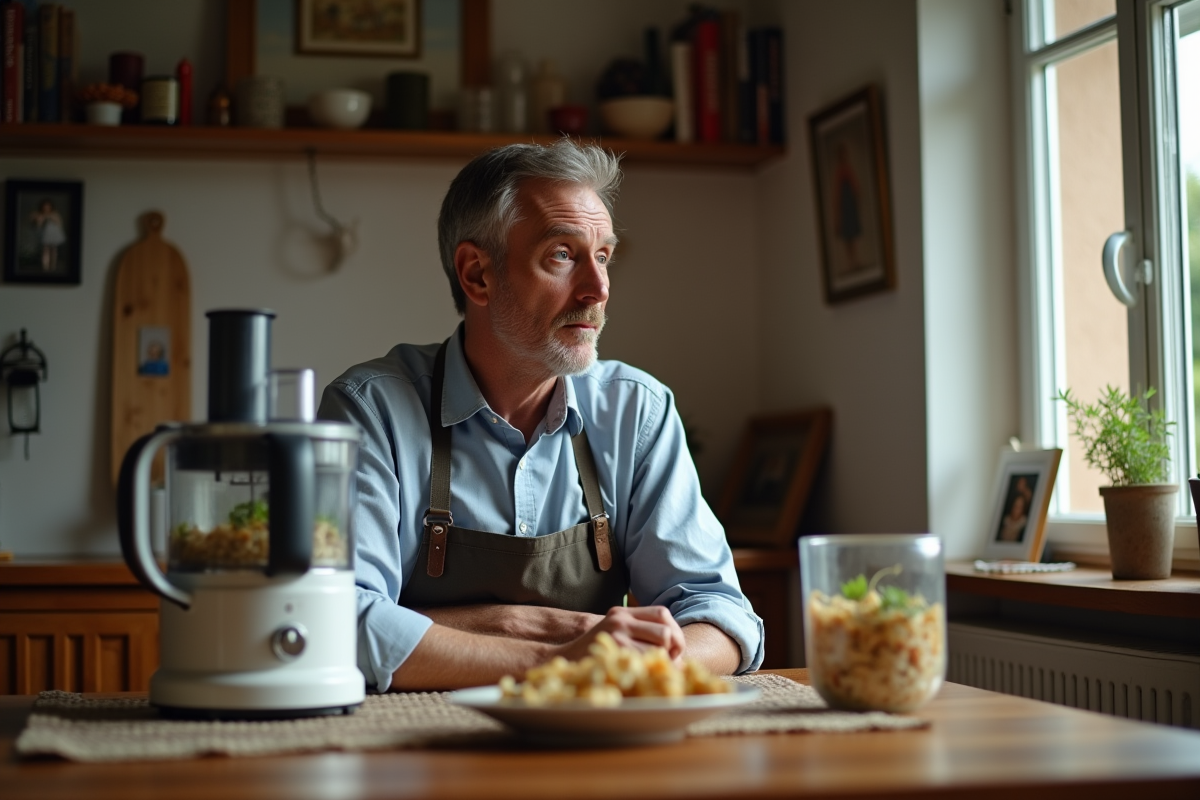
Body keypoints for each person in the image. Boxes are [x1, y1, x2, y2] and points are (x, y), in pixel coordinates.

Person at [318, 140, 764, 692]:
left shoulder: (636, 411)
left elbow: (722, 615)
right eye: (562, 254)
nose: (598, 289)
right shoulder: (371, 411)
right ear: (477, 274)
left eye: (603, 256)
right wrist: (561, 642)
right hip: (419, 757)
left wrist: (637, 662)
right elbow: (337, 624)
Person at [30, 199, 66, 272]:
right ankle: (45, 268)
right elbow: (37, 226)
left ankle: (53, 267)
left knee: (54, 250)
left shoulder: (55, 214)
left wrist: (51, 218)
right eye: (45, 207)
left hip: (54, 234)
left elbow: (59, 224)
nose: (46, 208)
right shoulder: (39, 214)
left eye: (48, 207)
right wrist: (40, 219)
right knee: (45, 250)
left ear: (50, 207)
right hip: (44, 235)